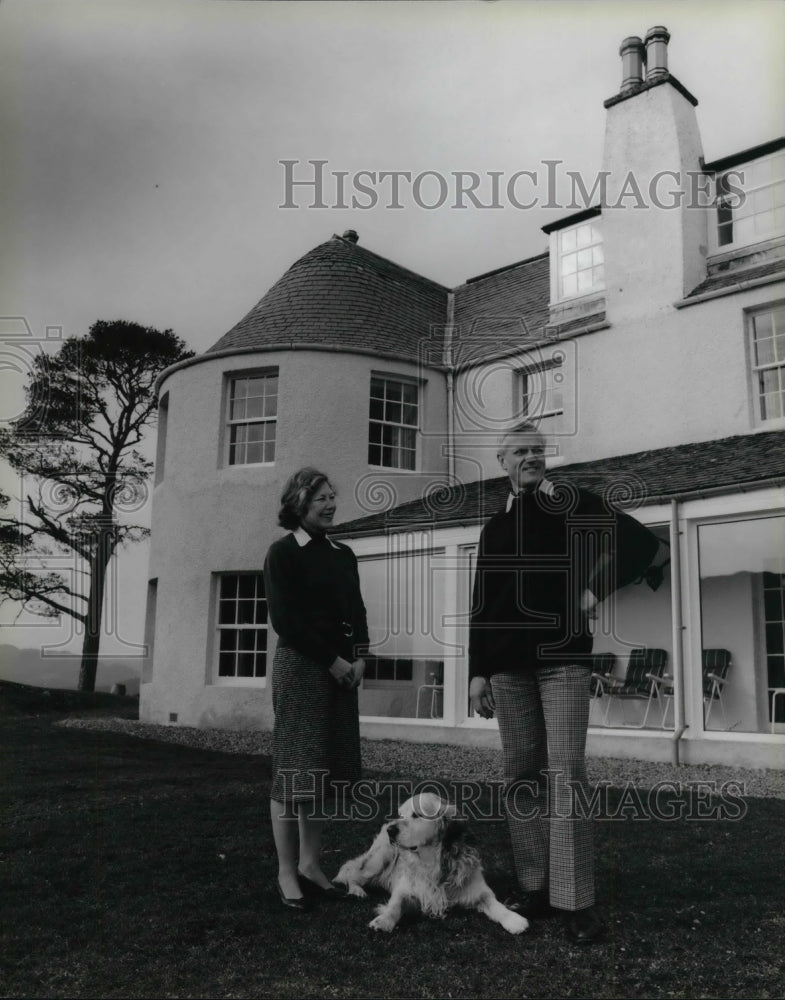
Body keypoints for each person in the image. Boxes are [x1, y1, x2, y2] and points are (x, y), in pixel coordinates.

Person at [468, 422, 661, 944]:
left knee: (567, 774)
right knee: (522, 776)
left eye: (537, 450)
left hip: (563, 664)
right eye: (520, 452)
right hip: (508, 670)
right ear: (503, 461)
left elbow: (640, 541)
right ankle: (534, 887)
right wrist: (476, 672)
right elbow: (483, 603)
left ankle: (573, 900)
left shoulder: (572, 503)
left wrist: (594, 589)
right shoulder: (494, 527)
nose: (531, 458)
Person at [264, 467, 369, 911]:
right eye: (320, 498)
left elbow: (358, 610)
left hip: (343, 672)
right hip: (304, 668)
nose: (330, 504)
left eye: (332, 496)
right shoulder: (282, 553)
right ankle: (287, 871)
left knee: (323, 771)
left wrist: (360, 657)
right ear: (298, 505)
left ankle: (311, 864)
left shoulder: (343, 554)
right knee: (294, 772)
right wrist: (333, 660)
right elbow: (286, 621)